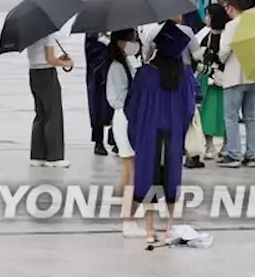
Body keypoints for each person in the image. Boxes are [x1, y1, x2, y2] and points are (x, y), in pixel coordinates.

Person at [125, 21, 197, 243]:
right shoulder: (184, 76)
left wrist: (137, 131)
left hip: (149, 134)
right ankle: (169, 227)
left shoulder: (145, 74)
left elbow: (132, 108)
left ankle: (149, 229)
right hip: (173, 133)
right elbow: (189, 108)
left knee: (149, 177)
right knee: (172, 179)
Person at [103, 29, 143, 237]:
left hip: (130, 115)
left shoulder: (129, 62)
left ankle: (129, 205)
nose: (134, 43)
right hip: (124, 116)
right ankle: (129, 218)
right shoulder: (117, 67)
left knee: (130, 164)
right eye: (131, 40)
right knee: (131, 166)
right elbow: (117, 97)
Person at [218, 0, 255, 168]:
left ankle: (233, 154)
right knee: (251, 116)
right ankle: (250, 155)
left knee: (231, 116)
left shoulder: (231, 26)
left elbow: (223, 53)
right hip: (254, 75)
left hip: (235, 75)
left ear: (231, 7)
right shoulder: (254, 23)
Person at [27, 32, 72, 167]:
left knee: (40, 114)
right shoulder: (48, 34)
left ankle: (37, 155)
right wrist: (67, 62)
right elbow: (50, 59)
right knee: (53, 114)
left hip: (34, 72)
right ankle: (54, 157)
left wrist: (59, 58)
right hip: (47, 73)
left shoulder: (31, 34)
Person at [84, 33, 114, 156]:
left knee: (119, 104)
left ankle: (116, 137)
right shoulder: (93, 29)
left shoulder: (122, 22)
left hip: (116, 68)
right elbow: (90, 51)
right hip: (98, 72)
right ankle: (98, 141)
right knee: (97, 106)